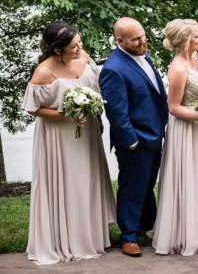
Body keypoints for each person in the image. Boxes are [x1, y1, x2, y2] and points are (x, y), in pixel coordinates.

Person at [23, 21, 115, 264]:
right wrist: (66, 114)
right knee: (68, 183)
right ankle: (66, 240)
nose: (80, 48)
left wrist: (95, 111)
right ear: (57, 50)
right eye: (74, 46)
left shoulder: (84, 58)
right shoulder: (44, 72)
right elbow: (34, 109)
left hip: (87, 133)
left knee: (88, 180)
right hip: (59, 138)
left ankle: (91, 238)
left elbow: (96, 91)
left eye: (80, 42)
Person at [100, 17, 168, 258]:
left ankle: (148, 226)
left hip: (154, 134)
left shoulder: (144, 56)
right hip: (135, 141)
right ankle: (128, 236)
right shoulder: (113, 69)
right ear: (120, 40)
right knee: (132, 187)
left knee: (147, 185)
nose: (143, 41)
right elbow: (117, 111)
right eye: (136, 39)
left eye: (143, 35)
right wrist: (131, 140)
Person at [151, 19, 198, 255]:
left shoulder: (196, 61)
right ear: (186, 40)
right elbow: (174, 107)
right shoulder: (178, 67)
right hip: (186, 130)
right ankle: (183, 234)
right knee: (187, 176)